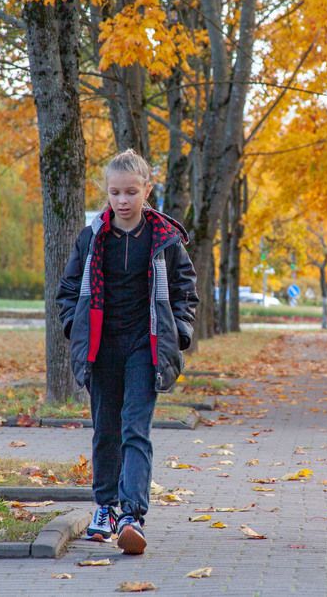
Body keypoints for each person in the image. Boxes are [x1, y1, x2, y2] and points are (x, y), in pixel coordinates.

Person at [57, 150, 198, 555]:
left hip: (144, 346)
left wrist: (181, 332)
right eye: (116, 192)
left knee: (136, 429)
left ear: (146, 191)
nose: (122, 200)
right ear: (107, 192)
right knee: (106, 430)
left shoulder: (164, 239)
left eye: (131, 192)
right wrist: (74, 327)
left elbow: (186, 292)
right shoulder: (91, 237)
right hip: (102, 348)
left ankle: (132, 515)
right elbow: (68, 292)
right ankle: (105, 507)